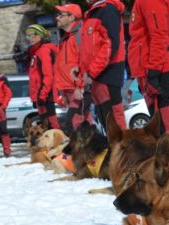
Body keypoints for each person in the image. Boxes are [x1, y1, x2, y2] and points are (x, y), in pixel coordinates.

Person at [128, 0, 169, 141]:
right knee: (160, 125)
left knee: (162, 126)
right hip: (150, 65)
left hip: (152, 65)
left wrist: (153, 69)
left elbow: (159, 35)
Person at [79, 0, 127, 131]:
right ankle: (115, 149)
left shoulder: (107, 10)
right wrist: (82, 72)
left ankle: (123, 150)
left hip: (107, 73)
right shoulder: (93, 13)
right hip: (96, 75)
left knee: (113, 119)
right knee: (104, 118)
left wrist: (91, 72)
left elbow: (110, 44)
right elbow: (89, 50)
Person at [53, 3, 92, 133]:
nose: (57, 18)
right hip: (69, 90)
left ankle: (88, 152)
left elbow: (84, 63)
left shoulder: (79, 35)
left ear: (71, 17)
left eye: (60, 15)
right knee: (82, 125)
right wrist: (63, 93)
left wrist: (80, 86)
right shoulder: (65, 38)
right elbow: (64, 66)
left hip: (78, 90)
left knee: (75, 126)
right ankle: (89, 151)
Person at [26, 24, 60, 129]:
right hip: (41, 95)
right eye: (28, 36)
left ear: (40, 36)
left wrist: (42, 96)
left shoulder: (44, 50)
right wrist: (35, 98)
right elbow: (35, 77)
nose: (30, 39)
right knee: (46, 126)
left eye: (33, 35)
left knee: (51, 126)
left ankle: (59, 145)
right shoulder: (36, 52)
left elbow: (48, 75)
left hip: (46, 95)